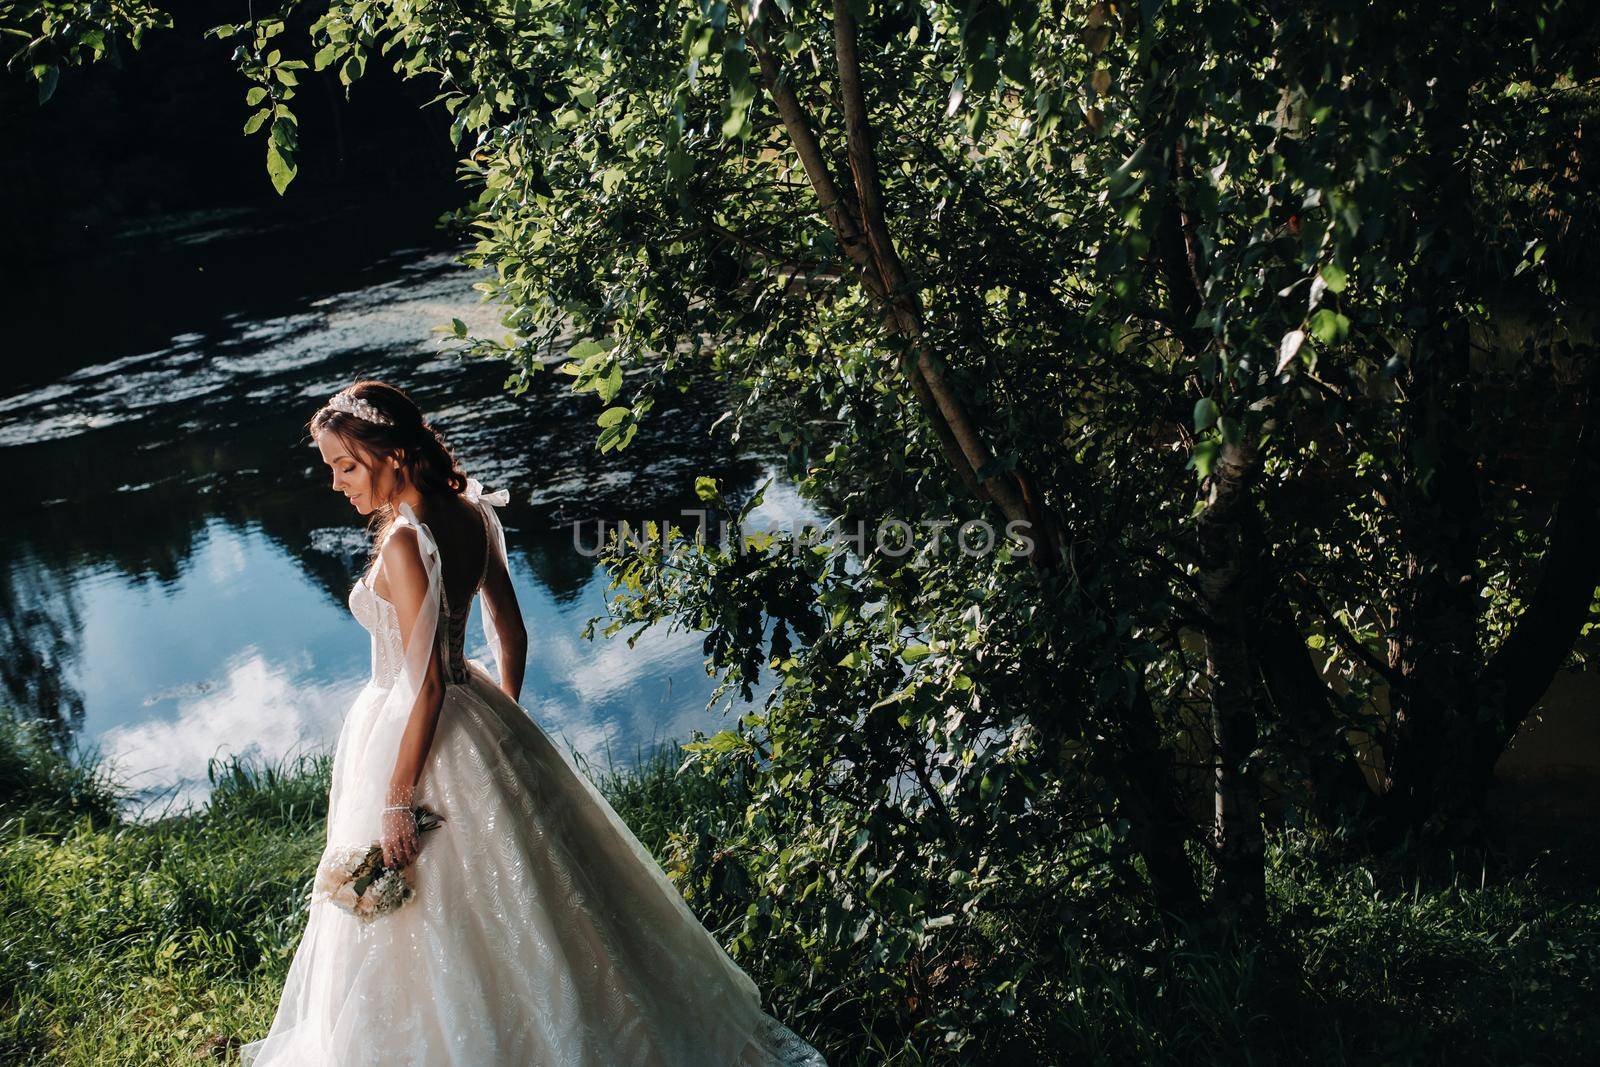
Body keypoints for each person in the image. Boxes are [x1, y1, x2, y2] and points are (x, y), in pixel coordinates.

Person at [240, 380, 826, 1066]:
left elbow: (425, 682)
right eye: (331, 468)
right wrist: (496, 728)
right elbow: (509, 632)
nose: (337, 484)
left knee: (427, 902)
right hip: (474, 708)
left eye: (346, 466)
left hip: (410, 724)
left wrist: (399, 798)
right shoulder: (471, 511)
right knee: (541, 896)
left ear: (393, 453)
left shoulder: (404, 539)